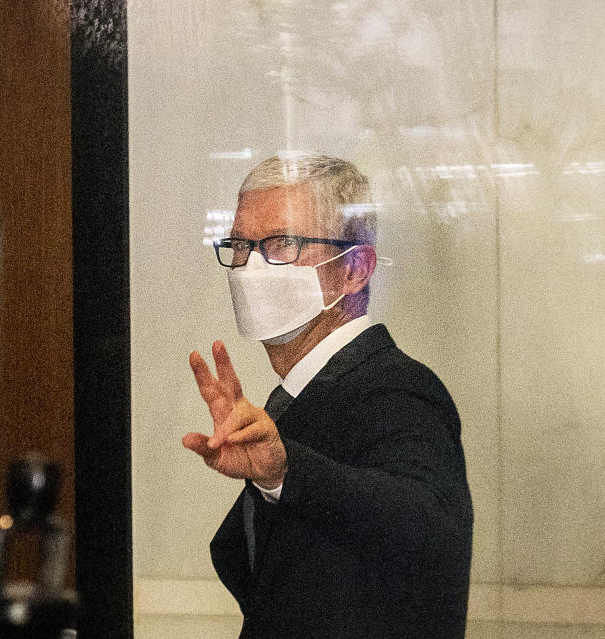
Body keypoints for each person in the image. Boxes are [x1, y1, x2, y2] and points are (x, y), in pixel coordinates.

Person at [182, 153, 473, 638]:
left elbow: (428, 529)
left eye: (282, 244)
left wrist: (285, 471)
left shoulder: (397, 389)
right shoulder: (294, 399)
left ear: (356, 268)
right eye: (240, 245)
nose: (251, 267)